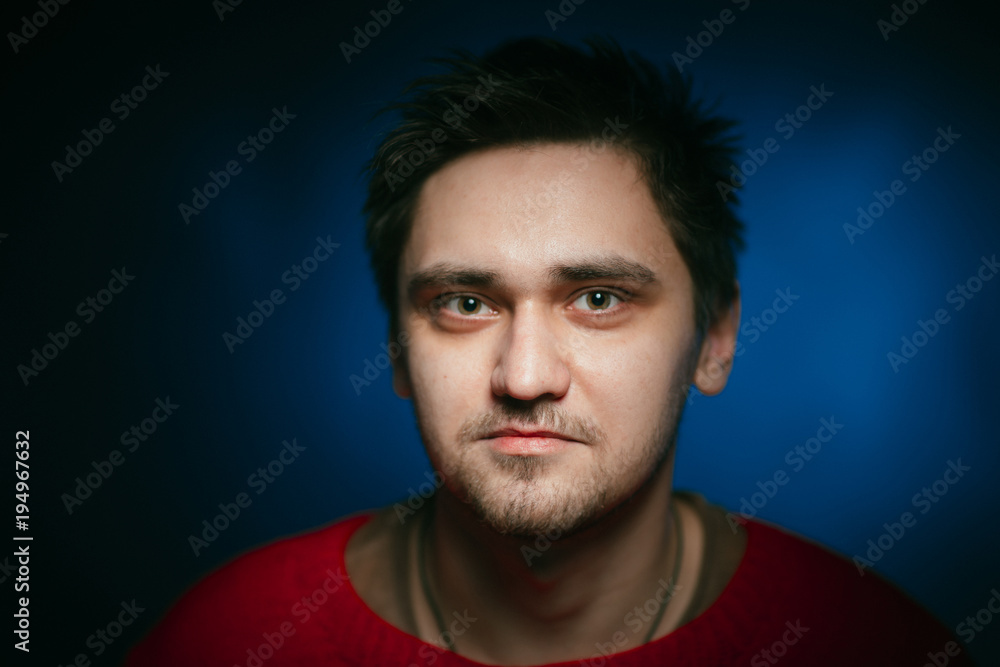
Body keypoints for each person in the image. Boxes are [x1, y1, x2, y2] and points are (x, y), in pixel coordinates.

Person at [126, 37, 972, 666]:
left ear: (714, 339)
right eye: (463, 303)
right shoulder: (228, 640)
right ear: (394, 346)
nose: (525, 377)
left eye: (599, 299)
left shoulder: (872, 642)